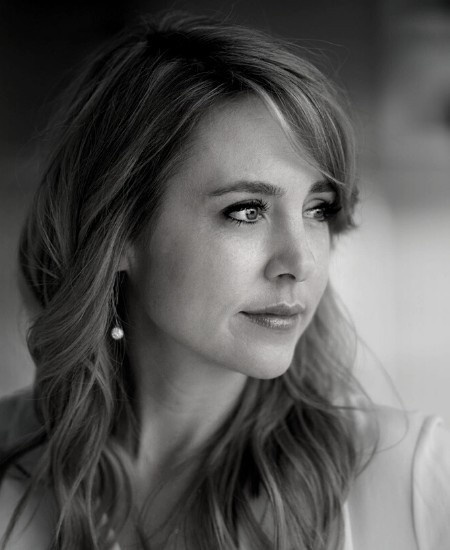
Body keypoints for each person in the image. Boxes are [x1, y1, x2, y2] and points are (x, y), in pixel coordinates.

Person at [0, 12, 449, 550]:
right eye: (246, 211)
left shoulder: (417, 477)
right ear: (118, 235)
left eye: (318, 209)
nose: (301, 262)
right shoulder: (13, 469)